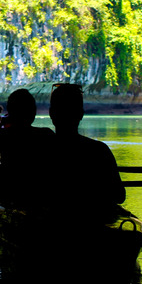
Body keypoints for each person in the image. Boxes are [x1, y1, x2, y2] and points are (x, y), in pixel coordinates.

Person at [47, 83, 125, 223]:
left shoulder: (39, 150)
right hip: (93, 222)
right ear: (81, 114)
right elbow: (119, 196)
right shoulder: (99, 150)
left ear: (51, 113)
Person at [0, 89, 55, 207]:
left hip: (9, 193)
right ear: (33, 112)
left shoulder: (0, 135)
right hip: (37, 194)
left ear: (10, 112)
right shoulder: (46, 134)